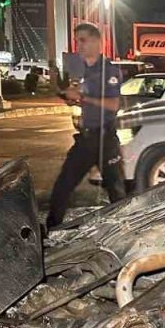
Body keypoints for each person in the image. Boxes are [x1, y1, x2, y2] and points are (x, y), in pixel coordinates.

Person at [47, 23, 127, 228]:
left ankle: (125, 232)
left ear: (97, 42)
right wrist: (73, 98)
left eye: (83, 40)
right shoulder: (87, 72)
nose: (79, 45)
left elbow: (113, 104)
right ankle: (50, 230)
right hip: (86, 140)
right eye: (77, 41)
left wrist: (82, 96)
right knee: (62, 186)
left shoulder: (108, 71)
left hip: (105, 139)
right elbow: (90, 100)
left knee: (117, 193)